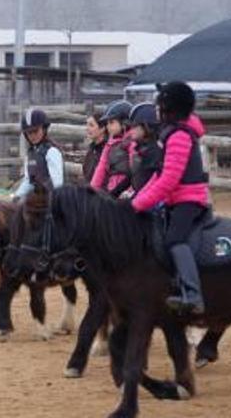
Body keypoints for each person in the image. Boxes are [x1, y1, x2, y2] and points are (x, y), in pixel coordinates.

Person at [131, 82, 209, 315]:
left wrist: (137, 204)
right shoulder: (170, 134)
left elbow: (169, 181)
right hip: (177, 198)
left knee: (174, 239)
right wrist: (135, 202)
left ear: (169, 109)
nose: (156, 111)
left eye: (159, 106)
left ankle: (193, 294)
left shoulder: (180, 136)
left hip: (189, 199)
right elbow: (157, 177)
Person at [14, 108, 64, 199]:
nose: (32, 136)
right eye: (29, 133)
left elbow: (57, 183)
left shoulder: (52, 152)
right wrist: (17, 196)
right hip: (37, 200)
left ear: (44, 129)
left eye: (36, 131)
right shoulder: (31, 153)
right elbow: (28, 181)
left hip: (51, 200)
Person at [89, 100, 133, 197]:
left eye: (111, 122)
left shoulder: (132, 142)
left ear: (124, 123)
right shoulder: (110, 143)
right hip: (112, 190)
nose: (108, 126)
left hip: (128, 193)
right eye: (107, 123)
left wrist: (130, 191)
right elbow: (101, 168)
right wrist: (92, 191)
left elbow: (134, 168)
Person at [127, 102, 162, 197]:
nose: (131, 130)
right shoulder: (141, 149)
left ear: (147, 127)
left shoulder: (153, 152)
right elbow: (130, 178)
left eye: (134, 126)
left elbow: (146, 184)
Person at [81, 112, 107, 184]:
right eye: (87, 125)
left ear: (102, 128)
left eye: (91, 125)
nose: (87, 128)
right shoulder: (91, 149)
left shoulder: (107, 150)